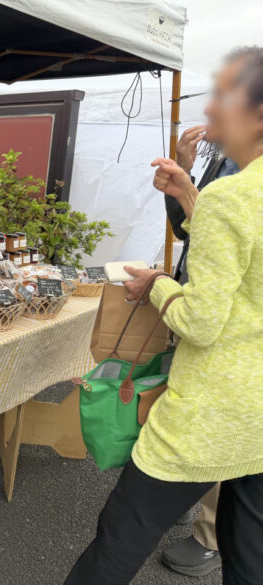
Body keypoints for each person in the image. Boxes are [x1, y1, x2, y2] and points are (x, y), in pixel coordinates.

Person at [64, 46, 263, 585]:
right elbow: (247, 263)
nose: (211, 107)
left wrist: (157, 285)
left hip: (211, 411)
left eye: (225, 95)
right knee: (250, 553)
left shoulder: (233, 196)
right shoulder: (235, 195)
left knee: (120, 535)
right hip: (258, 416)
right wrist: (190, 195)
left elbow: (200, 321)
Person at [160, 65, 241, 577]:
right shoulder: (223, 159)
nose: (210, 111)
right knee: (193, 408)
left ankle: (210, 536)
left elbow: (220, 233)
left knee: (219, 418)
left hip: (228, 320)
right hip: (198, 299)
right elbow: (187, 230)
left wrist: (189, 190)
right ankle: (197, 508)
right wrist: (185, 178)